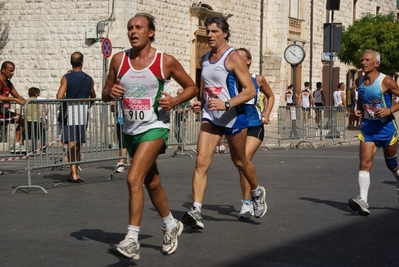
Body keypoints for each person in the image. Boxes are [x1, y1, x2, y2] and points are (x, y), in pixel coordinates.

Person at [102, 13, 197, 259]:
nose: (133, 32)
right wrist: (110, 92)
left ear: (150, 32)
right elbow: (105, 92)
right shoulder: (119, 60)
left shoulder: (165, 61)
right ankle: (171, 225)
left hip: (155, 128)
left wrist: (175, 100)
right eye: (130, 28)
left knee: (134, 177)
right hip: (130, 130)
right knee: (151, 182)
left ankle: (132, 239)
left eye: (139, 28)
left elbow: (192, 87)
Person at [181, 15, 267, 230]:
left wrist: (227, 104)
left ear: (225, 33)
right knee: (201, 162)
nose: (209, 35)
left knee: (240, 162)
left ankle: (257, 191)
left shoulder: (233, 57)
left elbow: (250, 90)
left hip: (233, 116)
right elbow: (205, 88)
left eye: (214, 32)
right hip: (211, 117)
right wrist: (200, 103)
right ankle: (197, 210)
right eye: (207, 31)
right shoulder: (204, 58)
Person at [348, 50, 399, 216]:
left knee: (391, 163)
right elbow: (362, 97)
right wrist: (358, 110)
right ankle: (363, 201)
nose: (363, 62)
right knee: (364, 163)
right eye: (362, 59)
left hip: (386, 129)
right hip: (369, 128)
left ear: (376, 63)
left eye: (367, 60)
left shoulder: (386, 81)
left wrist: (389, 110)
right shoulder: (359, 80)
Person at [236, 47, 275, 219]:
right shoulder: (231, 80)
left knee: (244, 159)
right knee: (240, 165)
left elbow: (270, 96)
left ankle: (254, 196)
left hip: (254, 124)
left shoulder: (257, 79)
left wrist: (267, 112)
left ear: (248, 61)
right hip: (238, 125)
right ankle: (248, 202)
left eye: (240, 57)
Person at [56, 51, 96, 183]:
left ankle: (73, 173)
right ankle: (75, 172)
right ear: (82, 62)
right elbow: (93, 96)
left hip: (71, 113)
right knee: (78, 143)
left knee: (71, 143)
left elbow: (59, 96)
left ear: (71, 62)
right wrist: (87, 105)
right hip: (83, 112)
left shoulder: (66, 78)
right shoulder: (88, 78)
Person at [0, 61, 27, 153]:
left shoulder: (9, 84)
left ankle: (16, 144)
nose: (13, 73)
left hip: (4, 113)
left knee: (22, 119)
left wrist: (29, 102)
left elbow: (18, 96)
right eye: (10, 71)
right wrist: (15, 100)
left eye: (13, 71)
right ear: (3, 70)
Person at [110, 100, 127, 173]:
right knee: (122, 143)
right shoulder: (117, 99)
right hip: (119, 120)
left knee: (124, 143)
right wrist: (113, 105)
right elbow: (113, 110)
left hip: (127, 121)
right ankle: (121, 162)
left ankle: (121, 163)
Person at [25, 87, 43, 153]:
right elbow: (40, 111)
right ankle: (36, 150)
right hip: (36, 120)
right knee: (37, 136)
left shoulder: (26, 101)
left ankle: (27, 150)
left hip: (27, 120)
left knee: (27, 136)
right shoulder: (36, 101)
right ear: (35, 94)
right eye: (38, 93)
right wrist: (44, 122)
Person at [36, 88, 48, 153]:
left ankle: (37, 149)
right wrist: (45, 113)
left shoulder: (32, 99)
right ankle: (43, 149)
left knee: (36, 134)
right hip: (43, 118)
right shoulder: (43, 99)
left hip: (35, 118)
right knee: (43, 134)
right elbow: (46, 110)